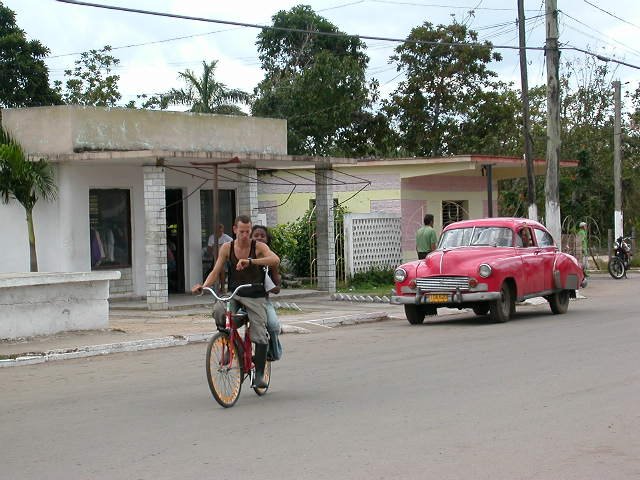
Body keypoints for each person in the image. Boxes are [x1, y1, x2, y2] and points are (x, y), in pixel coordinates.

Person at [192, 215, 280, 388]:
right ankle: (228, 340)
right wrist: (203, 286)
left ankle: (260, 375)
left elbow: (275, 260)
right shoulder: (227, 247)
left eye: (248, 231)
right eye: (241, 232)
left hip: (255, 296)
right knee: (219, 310)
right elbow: (216, 271)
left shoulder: (259, 247)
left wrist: (251, 261)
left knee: (260, 334)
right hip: (235, 294)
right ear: (234, 230)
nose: (245, 235)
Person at [251, 225, 283, 361]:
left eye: (262, 236)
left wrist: (271, 286)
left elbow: (277, 288)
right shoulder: (244, 255)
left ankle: (273, 351)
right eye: (256, 235)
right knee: (228, 323)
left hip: (263, 300)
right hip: (242, 298)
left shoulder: (272, 260)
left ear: (267, 240)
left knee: (274, 325)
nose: (259, 238)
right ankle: (230, 350)